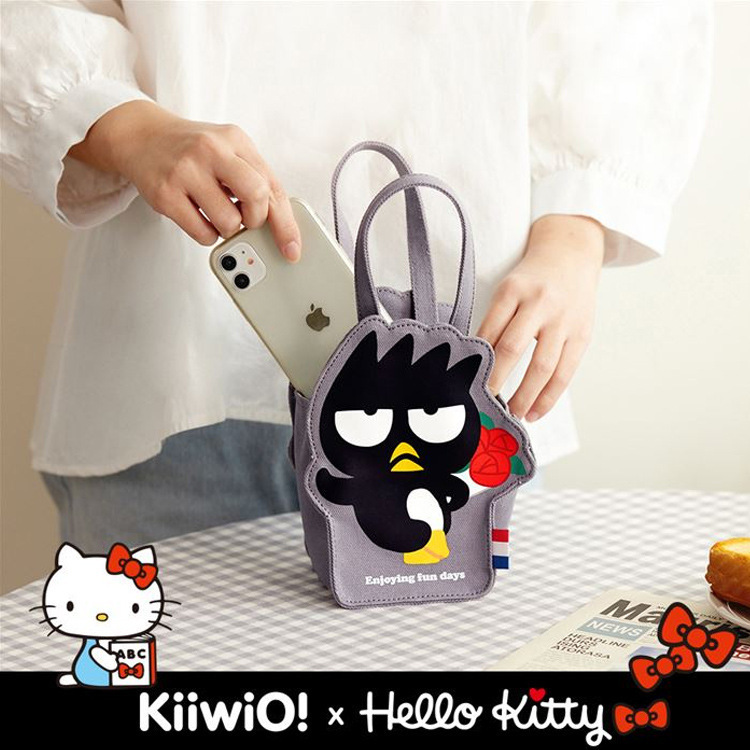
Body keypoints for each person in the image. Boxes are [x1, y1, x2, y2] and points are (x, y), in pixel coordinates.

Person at [0, 1, 712, 549]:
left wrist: (575, 229)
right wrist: (131, 129)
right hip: (178, 381)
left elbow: (628, 21)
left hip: (466, 381)